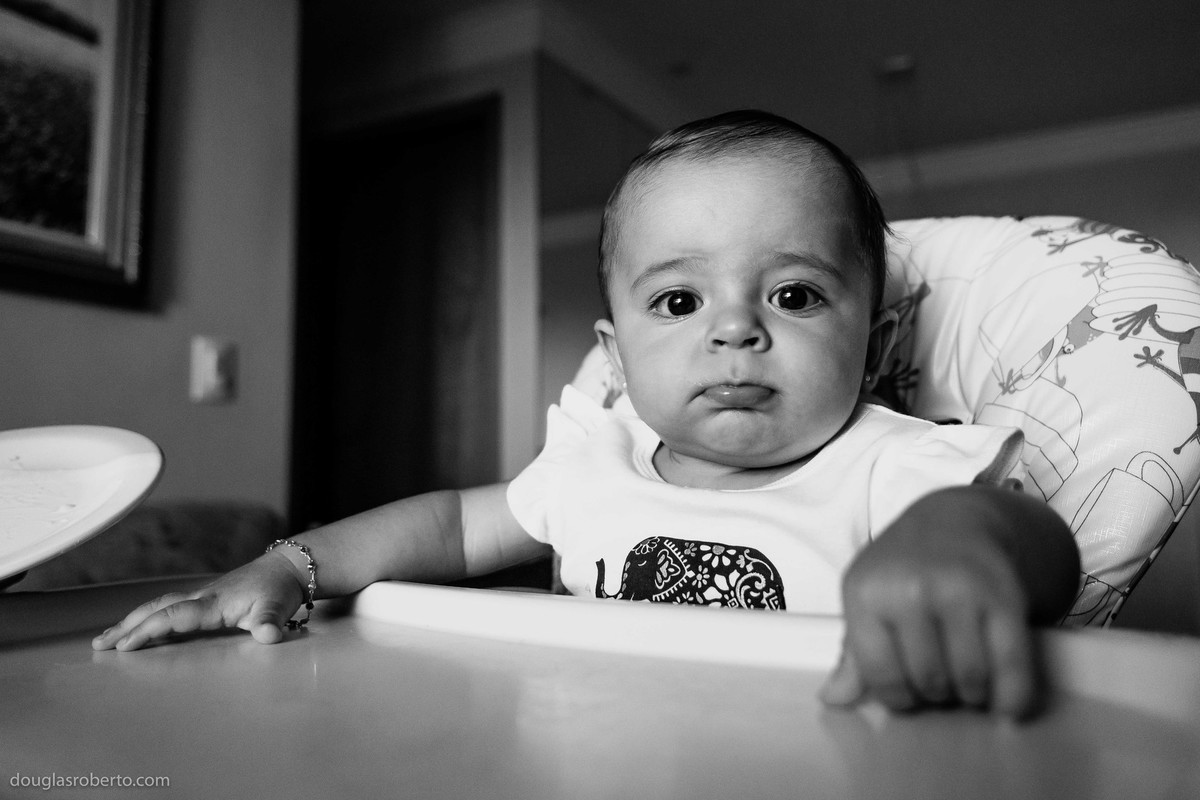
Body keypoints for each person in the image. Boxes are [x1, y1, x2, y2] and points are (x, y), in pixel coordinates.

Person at [93, 111, 1080, 719]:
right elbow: (447, 523)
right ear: (615, 356)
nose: (735, 330)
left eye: (796, 295)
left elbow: (1040, 532)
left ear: (876, 340)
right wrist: (289, 565)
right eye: (680, 301)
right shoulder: (593, 461)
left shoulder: (892, 465)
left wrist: (964, 545)